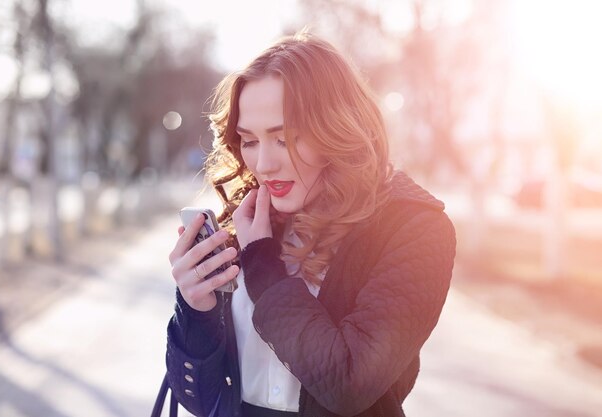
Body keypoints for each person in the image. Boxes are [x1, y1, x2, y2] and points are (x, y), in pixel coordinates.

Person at [166, 30, 456, 417]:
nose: (264, 164)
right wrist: (196, 309)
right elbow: (202, 401)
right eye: (249, 140)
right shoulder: (248, 222)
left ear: (337, 128)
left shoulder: (414, 229)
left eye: (285, 138)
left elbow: (350, 385)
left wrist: (262, 263)